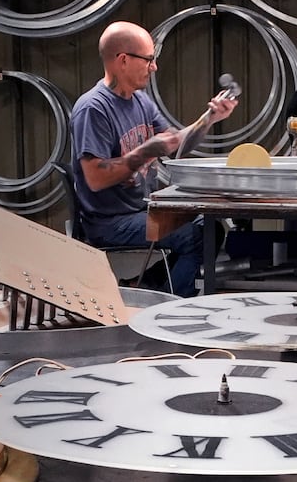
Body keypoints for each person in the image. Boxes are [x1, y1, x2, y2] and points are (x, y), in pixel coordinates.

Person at [70, 21, 237, 296]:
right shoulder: (93, 109)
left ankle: (146, 287)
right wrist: (146, 150)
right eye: (149, 59)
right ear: (123, 60)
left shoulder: (140, 100)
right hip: (109, 221)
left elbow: (173, 145)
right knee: (197, 236)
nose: (154, 67)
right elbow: (96, 178)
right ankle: (170, 306)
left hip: (139, 209)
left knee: (210, 228)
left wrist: (210, 119)